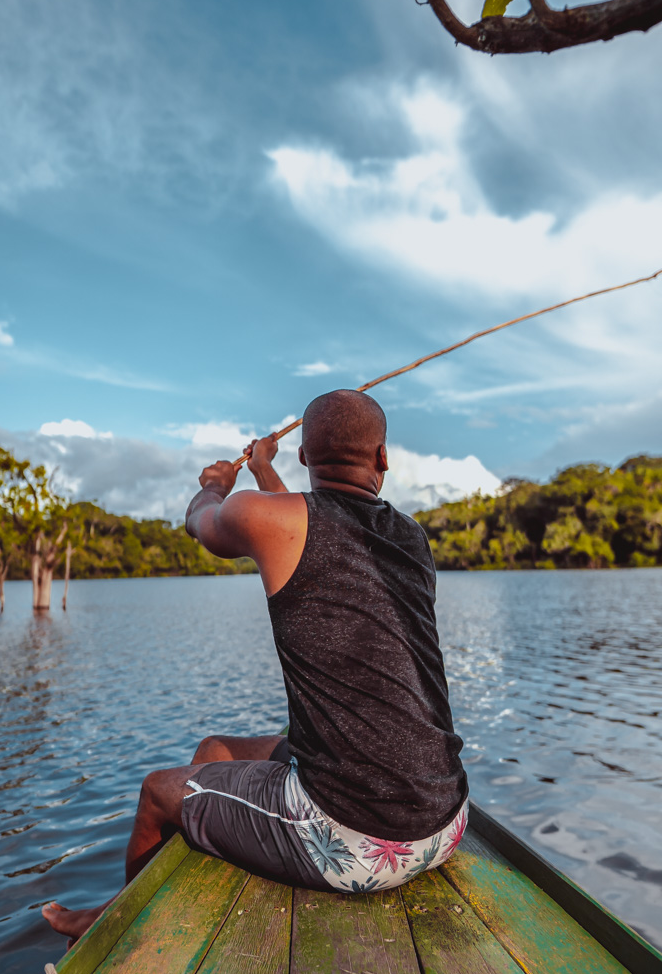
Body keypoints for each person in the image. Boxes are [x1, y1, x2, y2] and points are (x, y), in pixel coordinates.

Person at [43, 389, 468, 941]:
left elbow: (205, 523)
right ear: (383, 457)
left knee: (155, 792)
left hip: (359, 840)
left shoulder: (268, 516)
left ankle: (115, 931)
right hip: (447, 820)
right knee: (214, 753)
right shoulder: (412, 538)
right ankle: (165, 895)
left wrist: (218, 483)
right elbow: (303, 526)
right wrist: (264, 469)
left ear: (305, 457)